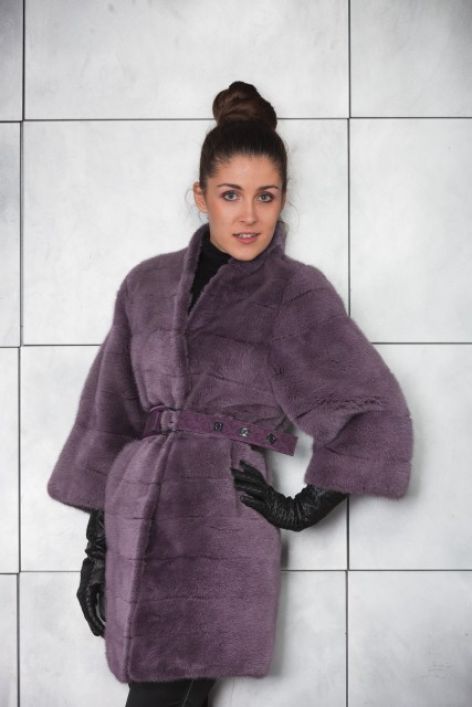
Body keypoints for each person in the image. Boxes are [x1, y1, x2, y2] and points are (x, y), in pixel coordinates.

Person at [47, 81, 414, 706]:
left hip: (219, 526)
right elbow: (112, 416)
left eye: (265, 196)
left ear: (284, 198)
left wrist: (302, 507)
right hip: (136, 521)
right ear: (201, 196)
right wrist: (98, 547)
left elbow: (373, 411)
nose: (249, 216)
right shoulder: (145, 285)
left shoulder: (295, 292)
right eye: (230, 195)